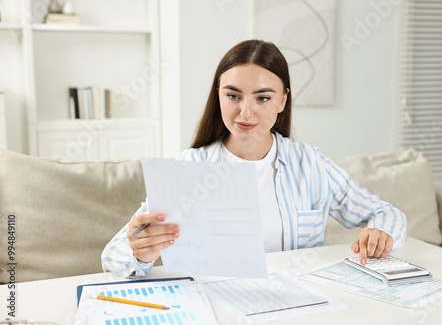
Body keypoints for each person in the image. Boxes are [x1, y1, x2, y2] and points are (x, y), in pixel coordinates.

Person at [102, 39, 407, 279]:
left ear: (283, 100)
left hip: (296, 303)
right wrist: (140, 253)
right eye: (233, 96)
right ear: (218, 95)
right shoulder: (189, 168)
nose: (246, 113)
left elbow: (387, 214)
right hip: (215, 304)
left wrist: (381, 233)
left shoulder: (311, 164)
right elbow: (113, 258)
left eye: (263, 98)